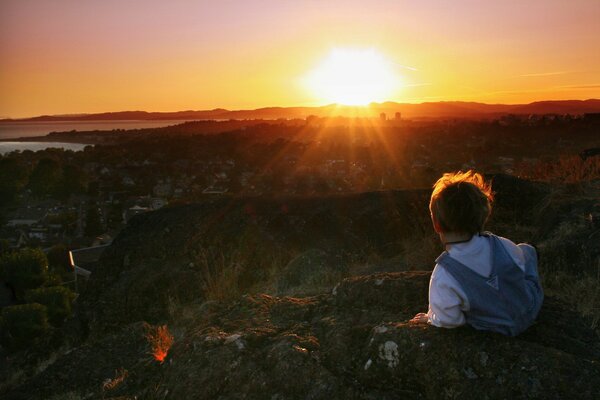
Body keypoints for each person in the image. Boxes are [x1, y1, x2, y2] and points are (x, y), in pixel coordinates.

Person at [410, 171, 543, 336]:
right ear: (482, 217)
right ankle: (533, 251)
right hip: (530, 309)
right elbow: (519, 267)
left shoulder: (444, 275)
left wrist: (431, 317)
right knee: (526, 251)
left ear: (437, 226)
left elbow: (449, 321)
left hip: (496, 329)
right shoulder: (501, 244)